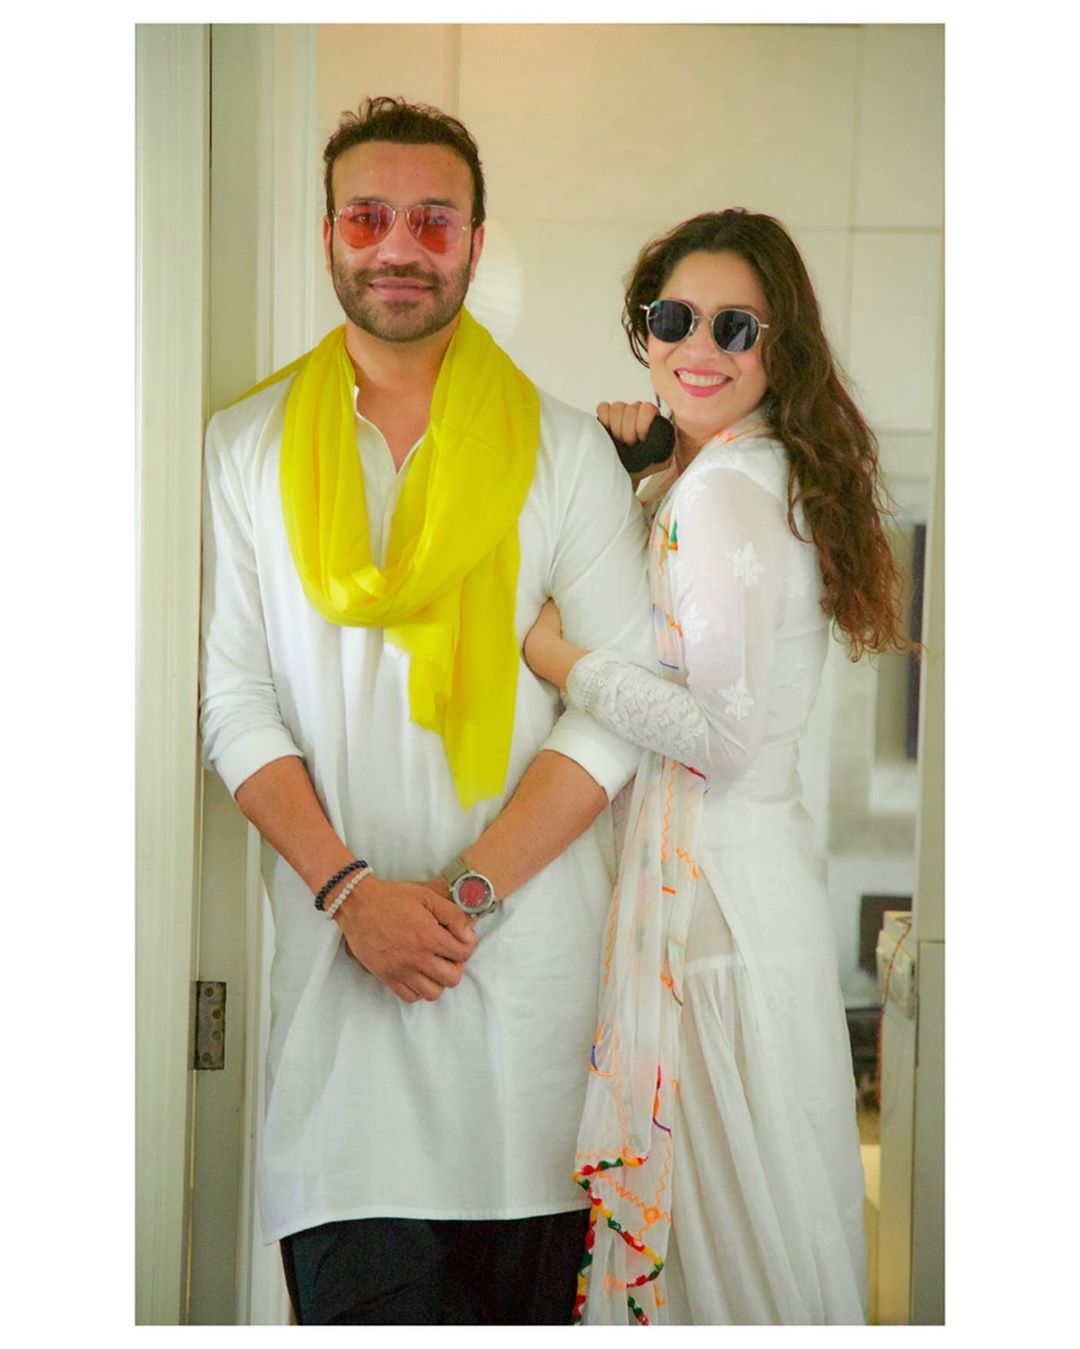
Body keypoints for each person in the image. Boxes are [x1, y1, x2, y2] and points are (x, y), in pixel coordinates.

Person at [198, 96, 656, 1325]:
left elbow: (618, 706)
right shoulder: (244, 447)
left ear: (474, 240)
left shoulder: (564, 452)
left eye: (433, 220)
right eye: (368, 215)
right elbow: (235, 699)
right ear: (327, 234)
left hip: (530, 1037)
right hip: (337, 1037)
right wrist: (353, 893)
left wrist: (462, 896)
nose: (399, 244)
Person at [524, 209, 908, 1325]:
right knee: (753, 1245)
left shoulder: (728, 491)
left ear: (780, 349)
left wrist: (561, 659)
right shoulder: (731, 473)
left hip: (717, 916)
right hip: (738, 900)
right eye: (675, 318)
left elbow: (721, 735)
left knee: (727, 1262)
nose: (700, 346)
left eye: (736, 326)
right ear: (644, 330)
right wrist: (644, 474)